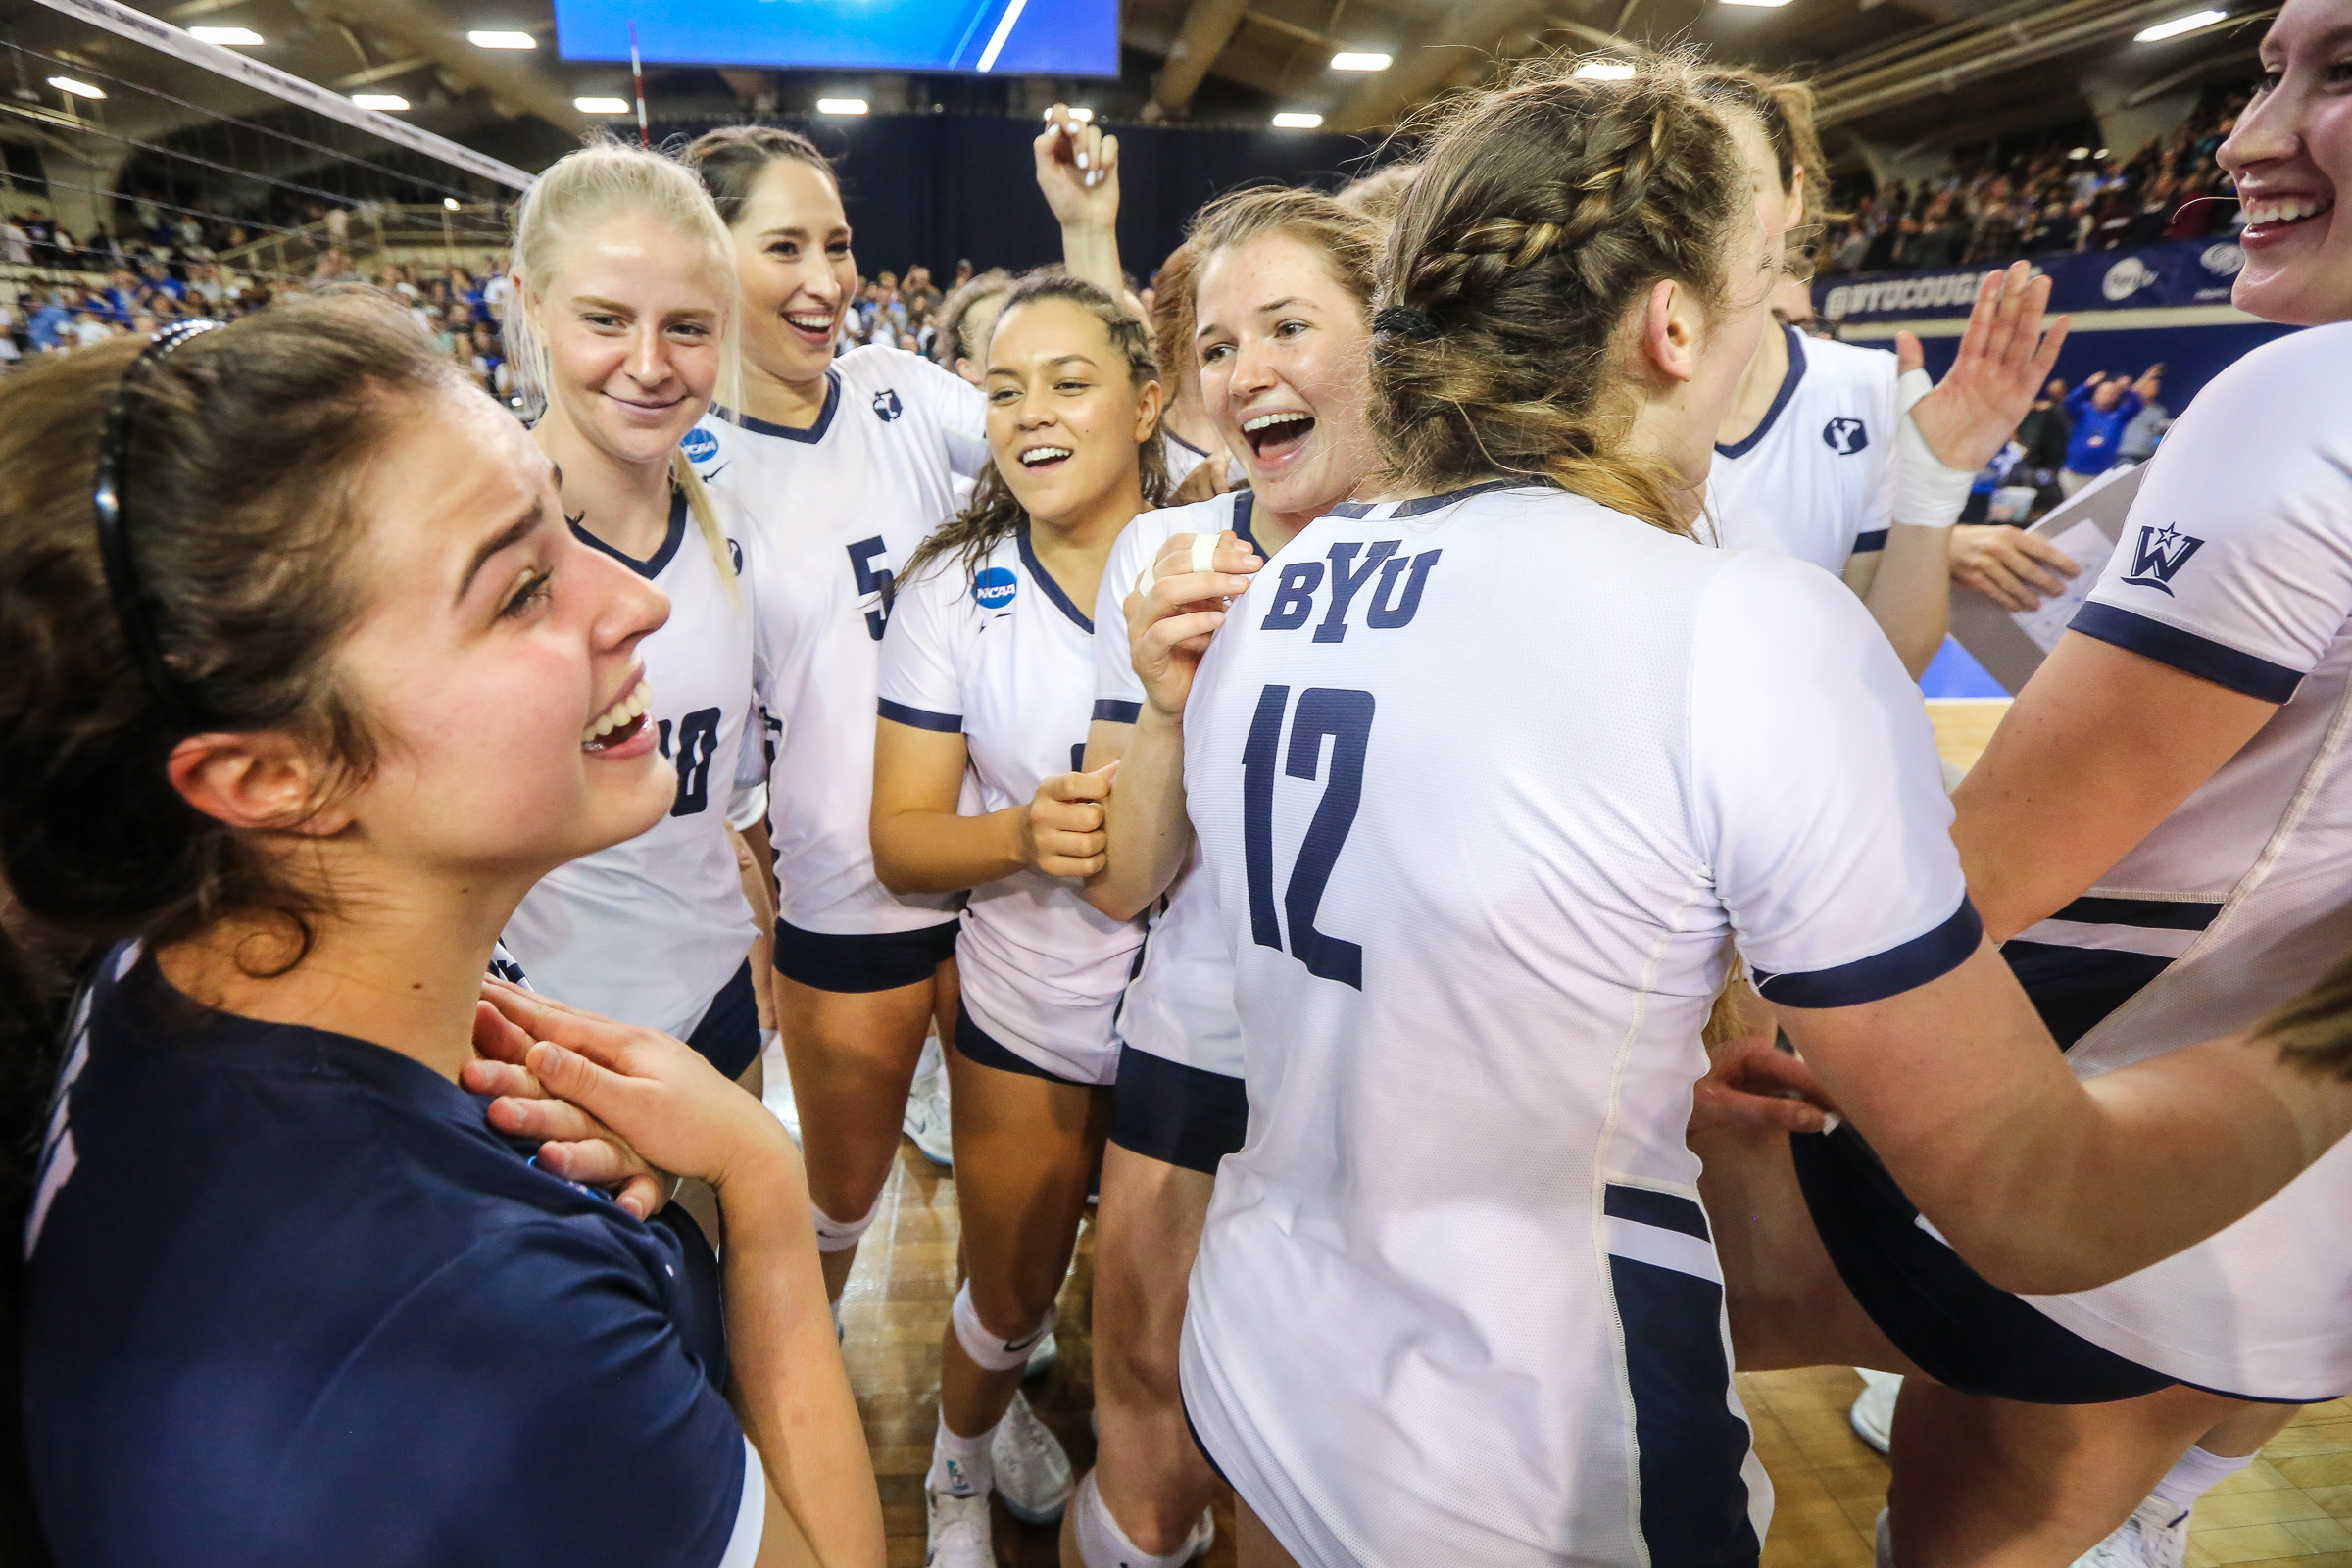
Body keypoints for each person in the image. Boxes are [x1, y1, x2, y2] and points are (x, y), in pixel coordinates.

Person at [1126, 59, 2352, 1568]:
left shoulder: (1287, 579)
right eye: (1759, 294)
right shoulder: (1744, 627)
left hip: (1266, 1354)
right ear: (1673, 323)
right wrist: (2326, 1042)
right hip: (1530, 1453)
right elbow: (2045, 1209)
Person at [6, 297, 883, 1566]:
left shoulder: (162, 960)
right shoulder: (472, 1332)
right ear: (268, 778)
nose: (631, 605)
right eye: (522, 588)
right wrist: (759, 1183)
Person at [1712, 5, 2352, 1563]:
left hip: (2111, 1160)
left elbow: (1962, 887)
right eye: (2268, 68)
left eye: (2340, 72)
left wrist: (1741, 1013)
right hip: (2286, 1186)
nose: (2246, 138)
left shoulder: (2306, 399)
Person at [1071, 183, 1383, 1568]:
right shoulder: (1162, 554)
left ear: (1392, 336)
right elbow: (1123, 883)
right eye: (1215, 344)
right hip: (1198, 1046)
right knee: (1151, 1456)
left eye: (1289, 327)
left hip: (1394, 1083)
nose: (1245, 369)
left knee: (1312, 1479)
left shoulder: (1478, 552)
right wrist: (1157, 705)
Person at [867, 271, 1163, 1568]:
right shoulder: (954, 591)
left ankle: (1157, 1489)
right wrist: (1019, 836)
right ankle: (955, 1472)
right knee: (1006, 1297)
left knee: (1173, 1311)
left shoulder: (1236, 558)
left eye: (1068, 380)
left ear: (1150, 403)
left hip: (1201, 1033)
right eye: (1001, 387)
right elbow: (902, 841)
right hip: (1029, 1007)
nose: (1028, 412)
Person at [681, 124, 985, 1282]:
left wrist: (1086, 237)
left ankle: (984, 1399)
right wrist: (752, 903)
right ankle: (795, 1440)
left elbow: (1080, 433)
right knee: (836, 1205)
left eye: (839, 245)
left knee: (1014, 1189)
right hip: (851, 892)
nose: (825, 282)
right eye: (785, 248)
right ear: (707, 260)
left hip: (1008, 869)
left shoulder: (901, 390)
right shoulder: (690, 476)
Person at [493, 143, 772, 1098]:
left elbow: (723, 801)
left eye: (686, 327)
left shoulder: (736, 525)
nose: (649, 366)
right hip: (542, 1035)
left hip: (718, 1002)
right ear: (530, 301)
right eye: (605, 320)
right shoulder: (470, 551)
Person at [1697, 69, 2069, 678]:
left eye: (1744, 184)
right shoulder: (1593, 391)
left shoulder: (1869, 386)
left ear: (1793, 196)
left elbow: (1893, 662)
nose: (1712, 216)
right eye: (1681, 189)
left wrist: (1935, 492)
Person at [2059, 365, 2163, 494]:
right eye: (2102, 392)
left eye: (2111, 393)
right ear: (2095, 393)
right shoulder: (2083, 411)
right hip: (2073, 473)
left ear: (2116, 396)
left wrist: (2126, 390)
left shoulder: (2120, 415)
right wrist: (2087, 385)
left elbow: (2136, 405)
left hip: (2101, 476)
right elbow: (2070, 402)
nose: (2106, 396)